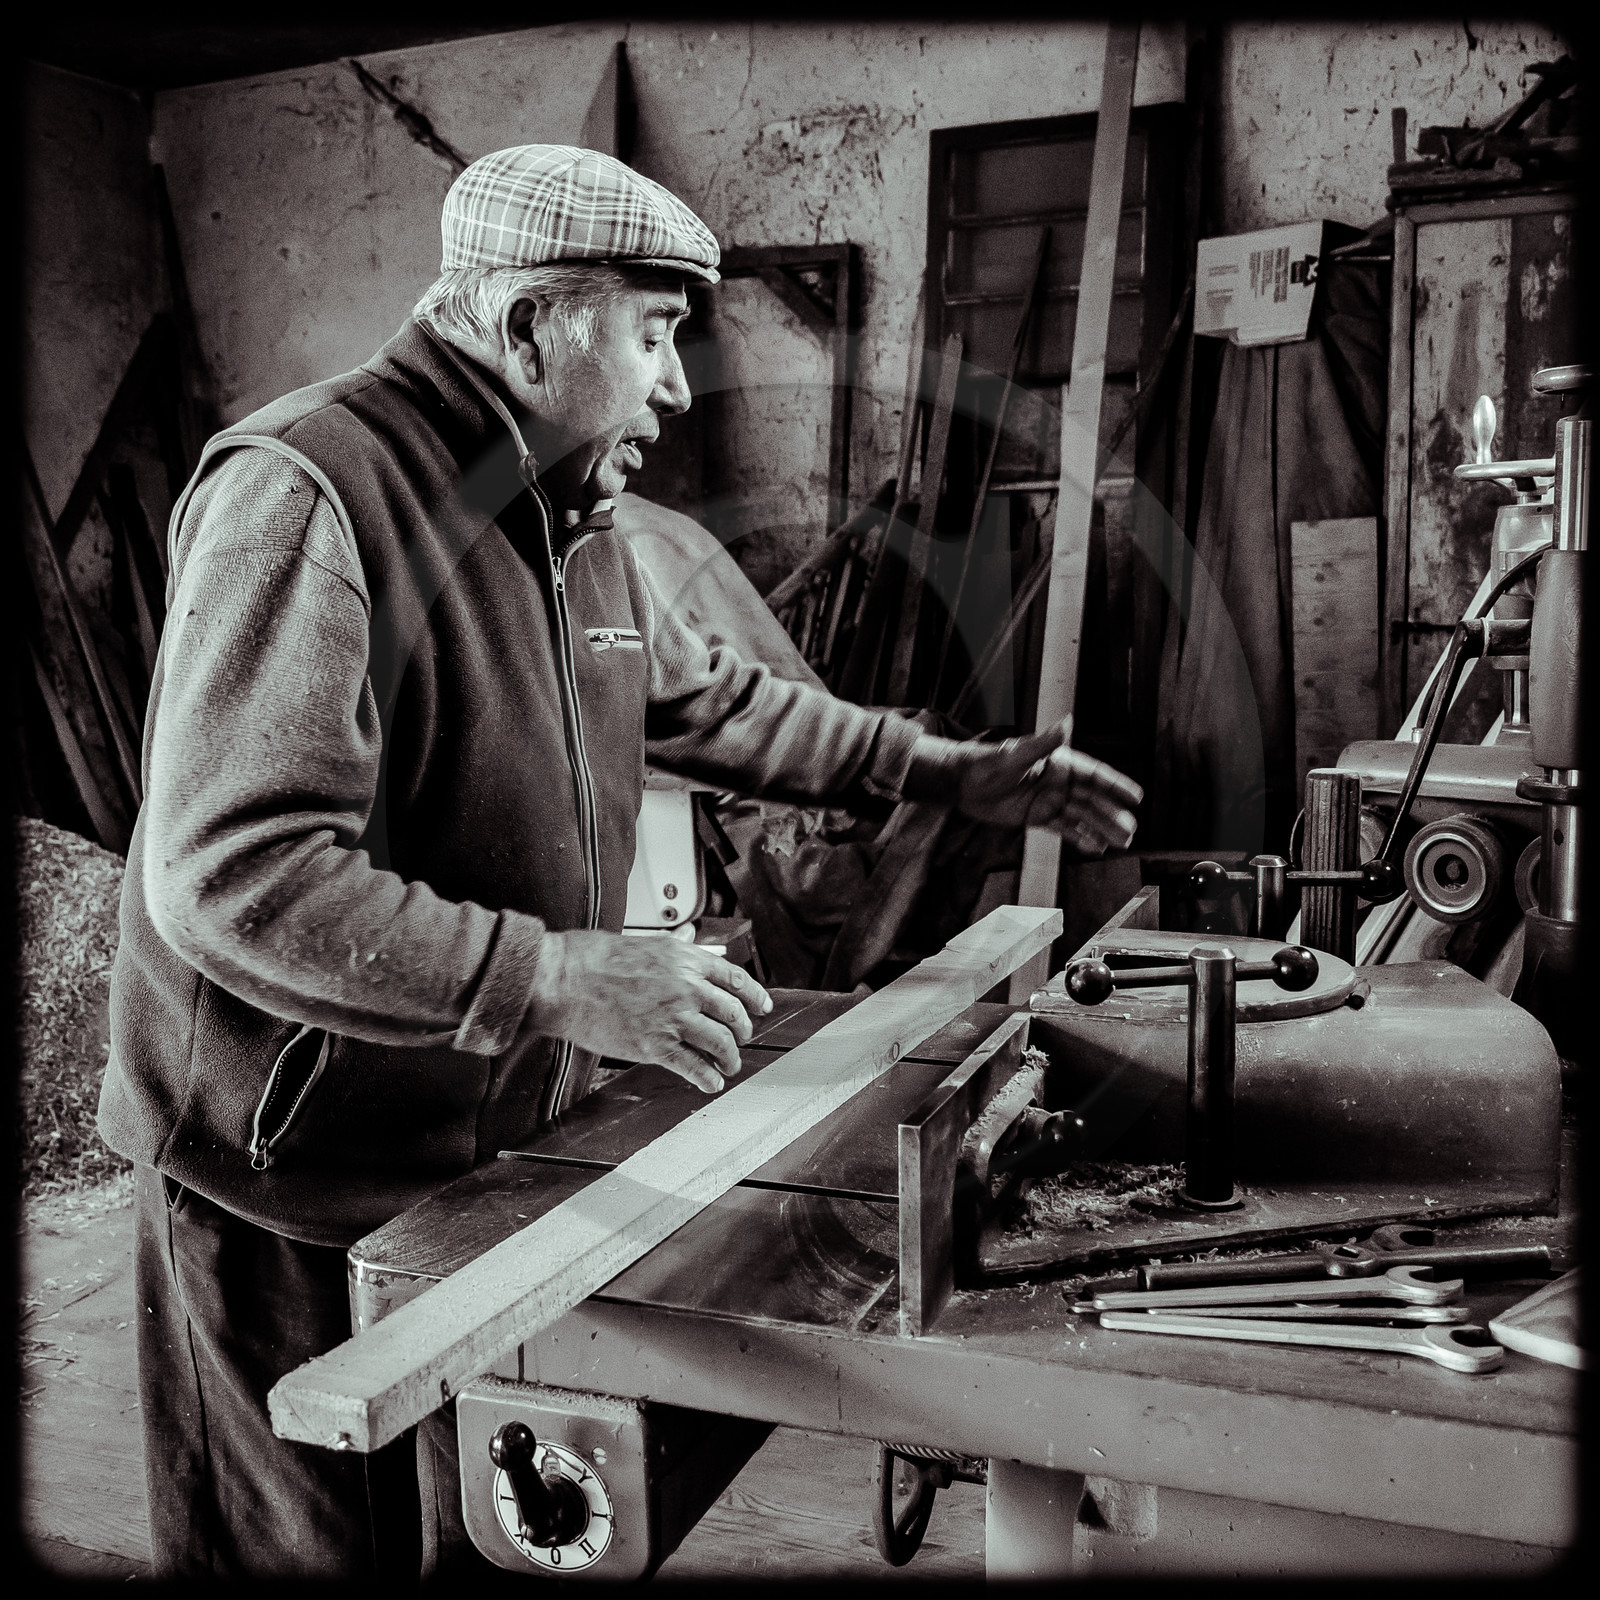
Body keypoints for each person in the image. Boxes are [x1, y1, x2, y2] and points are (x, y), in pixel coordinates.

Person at [99, 144, 1143, 1579]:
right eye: (653, 336)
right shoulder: (312, 495)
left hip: (460, 1157)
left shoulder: (571, 514)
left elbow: (712, 700)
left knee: (479, 1532)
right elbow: (234, 873)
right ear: (529, 325)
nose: (680, 389)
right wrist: (563, 979)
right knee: (299, 1552)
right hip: (276, 1178)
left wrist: (936, 768)